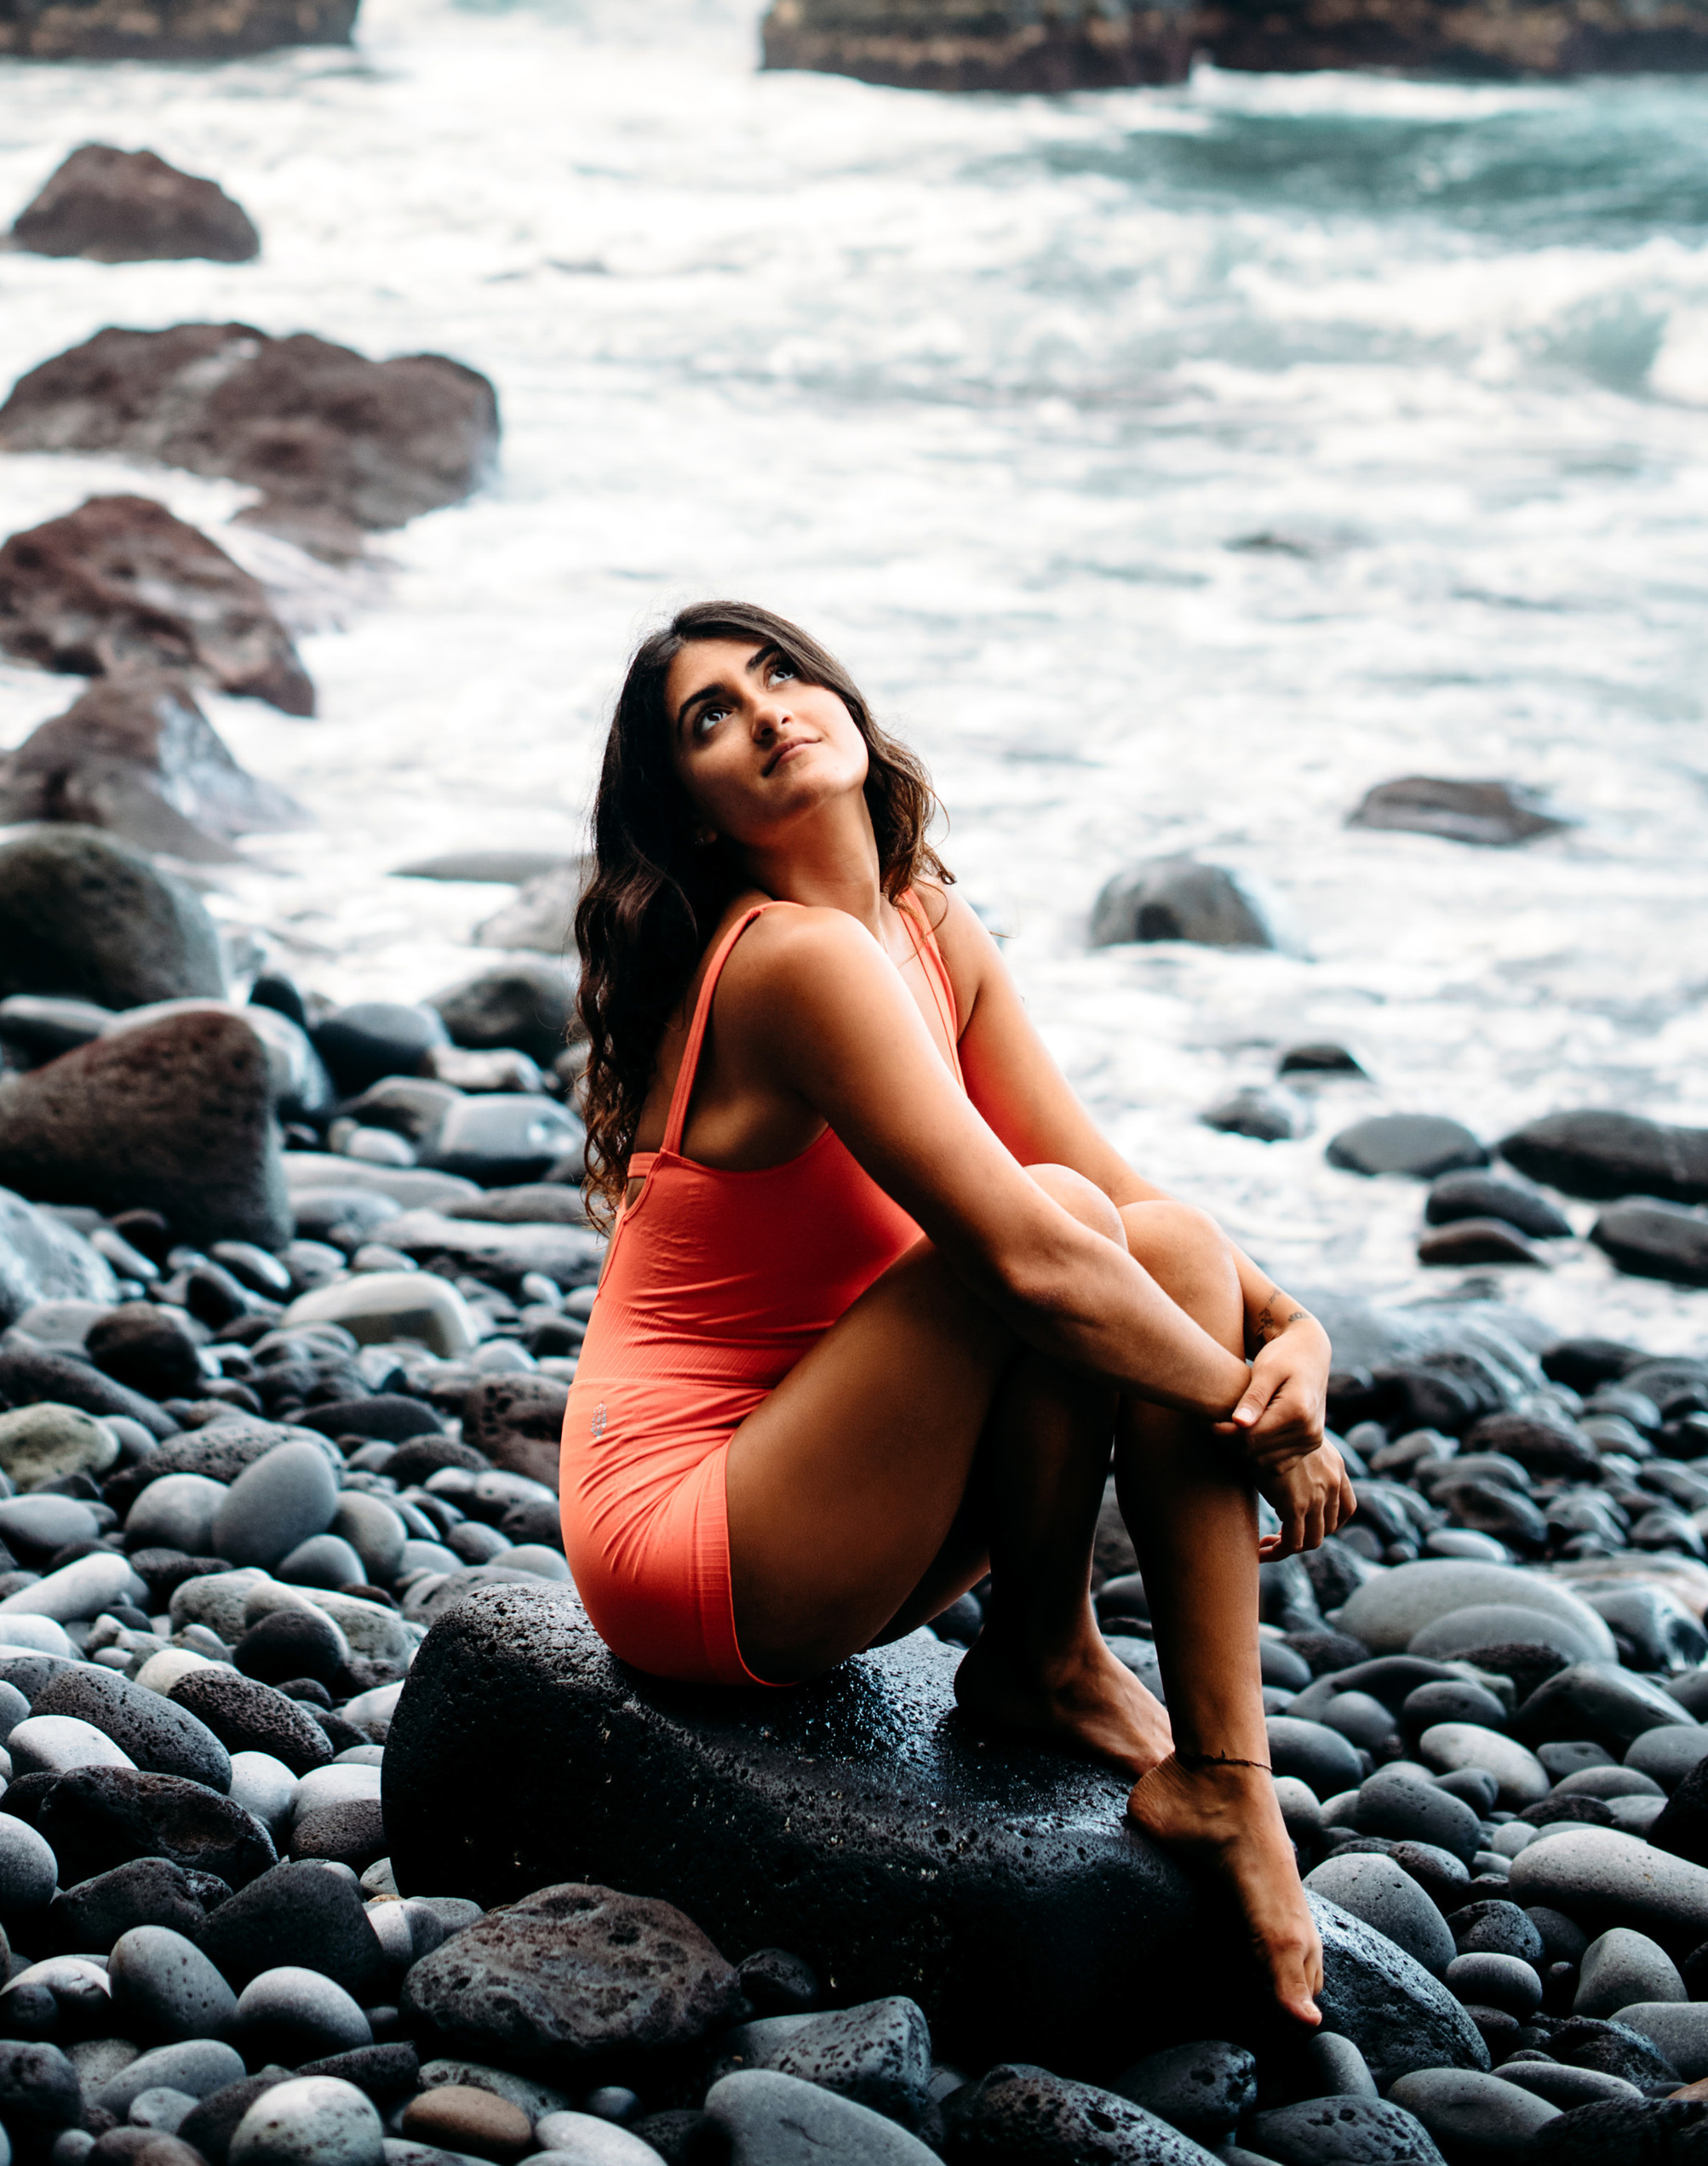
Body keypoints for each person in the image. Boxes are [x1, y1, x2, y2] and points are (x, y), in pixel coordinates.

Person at [559, 598, 1356, 2025]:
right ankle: (1108, 1698)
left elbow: (1129, 1200)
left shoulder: (922, 925)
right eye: (711, 717)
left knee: (1165, 1245)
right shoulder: (788, 962)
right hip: (694, 1532)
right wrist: (1257, 1420)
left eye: (782, 673)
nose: (767, 711)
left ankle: (1185, 1749)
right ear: (694, 818)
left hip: (841, 1488)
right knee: (1057, 1231)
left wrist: (1292, 1330)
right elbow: (1032, 1261)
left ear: (848, 706)